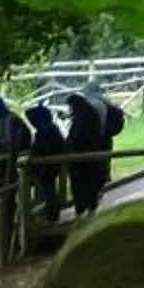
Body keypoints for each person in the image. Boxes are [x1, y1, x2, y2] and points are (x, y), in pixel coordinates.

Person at [61, 84, 120, 219]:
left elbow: (78, 136)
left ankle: (81, 208)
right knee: (94, 177)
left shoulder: (89, 109)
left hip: (83, 153)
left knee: (80, 181)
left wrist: (69, 147)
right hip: (99, 144)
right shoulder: (100, 104)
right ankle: (92, 205)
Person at [19, 94, 65, 221]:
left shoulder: (47, 131)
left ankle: (51, 215)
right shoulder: (50, 129)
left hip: (47, 166)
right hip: (47, 165)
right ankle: (48, 213)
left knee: (48, 191)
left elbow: (42, 148)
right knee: (47, 191)